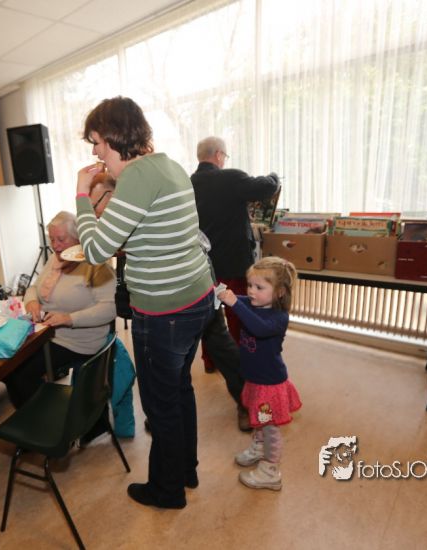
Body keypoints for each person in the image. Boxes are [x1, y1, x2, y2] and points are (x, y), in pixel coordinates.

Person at [75, 96, 215, 510]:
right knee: (180, 389)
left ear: (114, 136)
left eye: (97, 141)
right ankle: (185, 470)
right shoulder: (167, 165)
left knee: (160, 404)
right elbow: (155, 231)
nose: (95, 152)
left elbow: (96, 251)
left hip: (164, 311)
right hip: (197, 297)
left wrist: (82, 195)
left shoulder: (137, 176)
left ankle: (166, 490)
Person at [4, 211, 117, 412]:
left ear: (78, 238)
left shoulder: (96, 266)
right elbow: (33, 287)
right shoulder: (54, 260)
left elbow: (109, 309)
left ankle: (47, 418)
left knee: (20, 374)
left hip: (78, 342)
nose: (55, 246)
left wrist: (69, 318)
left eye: (61, 239)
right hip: (48, 335)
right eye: (52, 239)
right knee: (8, 367)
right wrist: (32, 302)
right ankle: (35, 416)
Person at [218, 256, 302, 491]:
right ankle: (258, 448)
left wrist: (235, 304)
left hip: (269, 385)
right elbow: (243, 300)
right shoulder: (256, 304)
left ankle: (270, 471)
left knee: (270, 428)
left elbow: (258, 328)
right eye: (250, 285)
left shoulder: (277, 318)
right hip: (255, 380)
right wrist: (227, 296)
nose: (251, 291)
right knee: (260, 420)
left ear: (280, 292)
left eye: (259, 287)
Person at [191, 136, 279, 358]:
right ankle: (241, 358)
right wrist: (274, 176)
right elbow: (266, 187)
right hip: (233, 261)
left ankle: (210, 360)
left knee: (210, 313)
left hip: (203, 263)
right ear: (219, 155)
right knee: (238, 310)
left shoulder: (188, 182)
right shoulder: (230, 178)